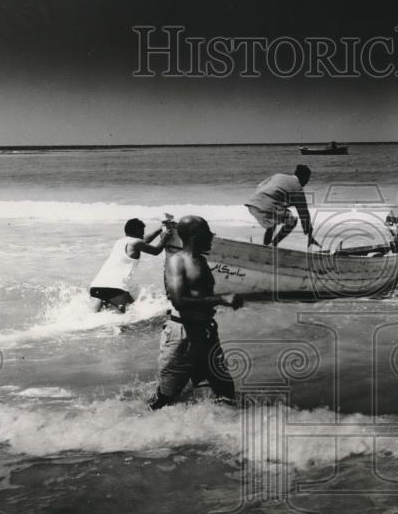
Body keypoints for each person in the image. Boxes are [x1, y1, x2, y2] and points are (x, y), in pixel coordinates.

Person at [149, 215, 243, 411]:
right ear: (194, 235)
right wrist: (221, 299)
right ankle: (135, 427)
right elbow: (179, 300)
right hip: (182, 335)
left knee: (226, 394)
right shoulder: (177, 262)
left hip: (206, 333)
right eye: (207, 232)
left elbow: (199, 295)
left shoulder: (200, 260)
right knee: (165, 399)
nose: (211, 236)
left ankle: (223, 433)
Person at [89, 217, 172, 312]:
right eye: (142, 231)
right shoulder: (136, 242)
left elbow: (144, 241)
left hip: (96, 286)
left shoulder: (120, 242)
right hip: (114, 288)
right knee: (134, 316)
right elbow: (156, 251)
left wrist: (160, 229)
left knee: (96, 318)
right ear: (137, 231)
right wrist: (165, 238)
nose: (143, 234)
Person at [245, 164, 321, 247]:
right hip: (267, 209)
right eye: (307, 180)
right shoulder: (297, 187)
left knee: (275, 218)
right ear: (304, 178)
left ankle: (266, 245)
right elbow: (304, 214)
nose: (306, 183)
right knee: (292, 221)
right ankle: (273, 245)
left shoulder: (278, 176)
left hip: (252, 205)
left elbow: (259, 186)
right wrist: (309, 233)